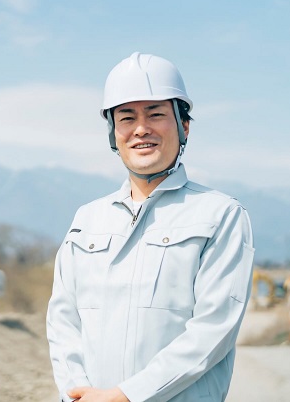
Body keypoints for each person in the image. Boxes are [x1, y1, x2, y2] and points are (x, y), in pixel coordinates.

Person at [46, 52, 255, 402]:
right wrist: (76, 394)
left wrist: (126, 395)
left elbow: (213, 330)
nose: (141, 128)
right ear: (114, 133)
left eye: (156, 114)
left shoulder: (220, 215)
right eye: (126, 118)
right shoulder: (87, 220)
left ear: (184, 125)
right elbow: (63, 322)